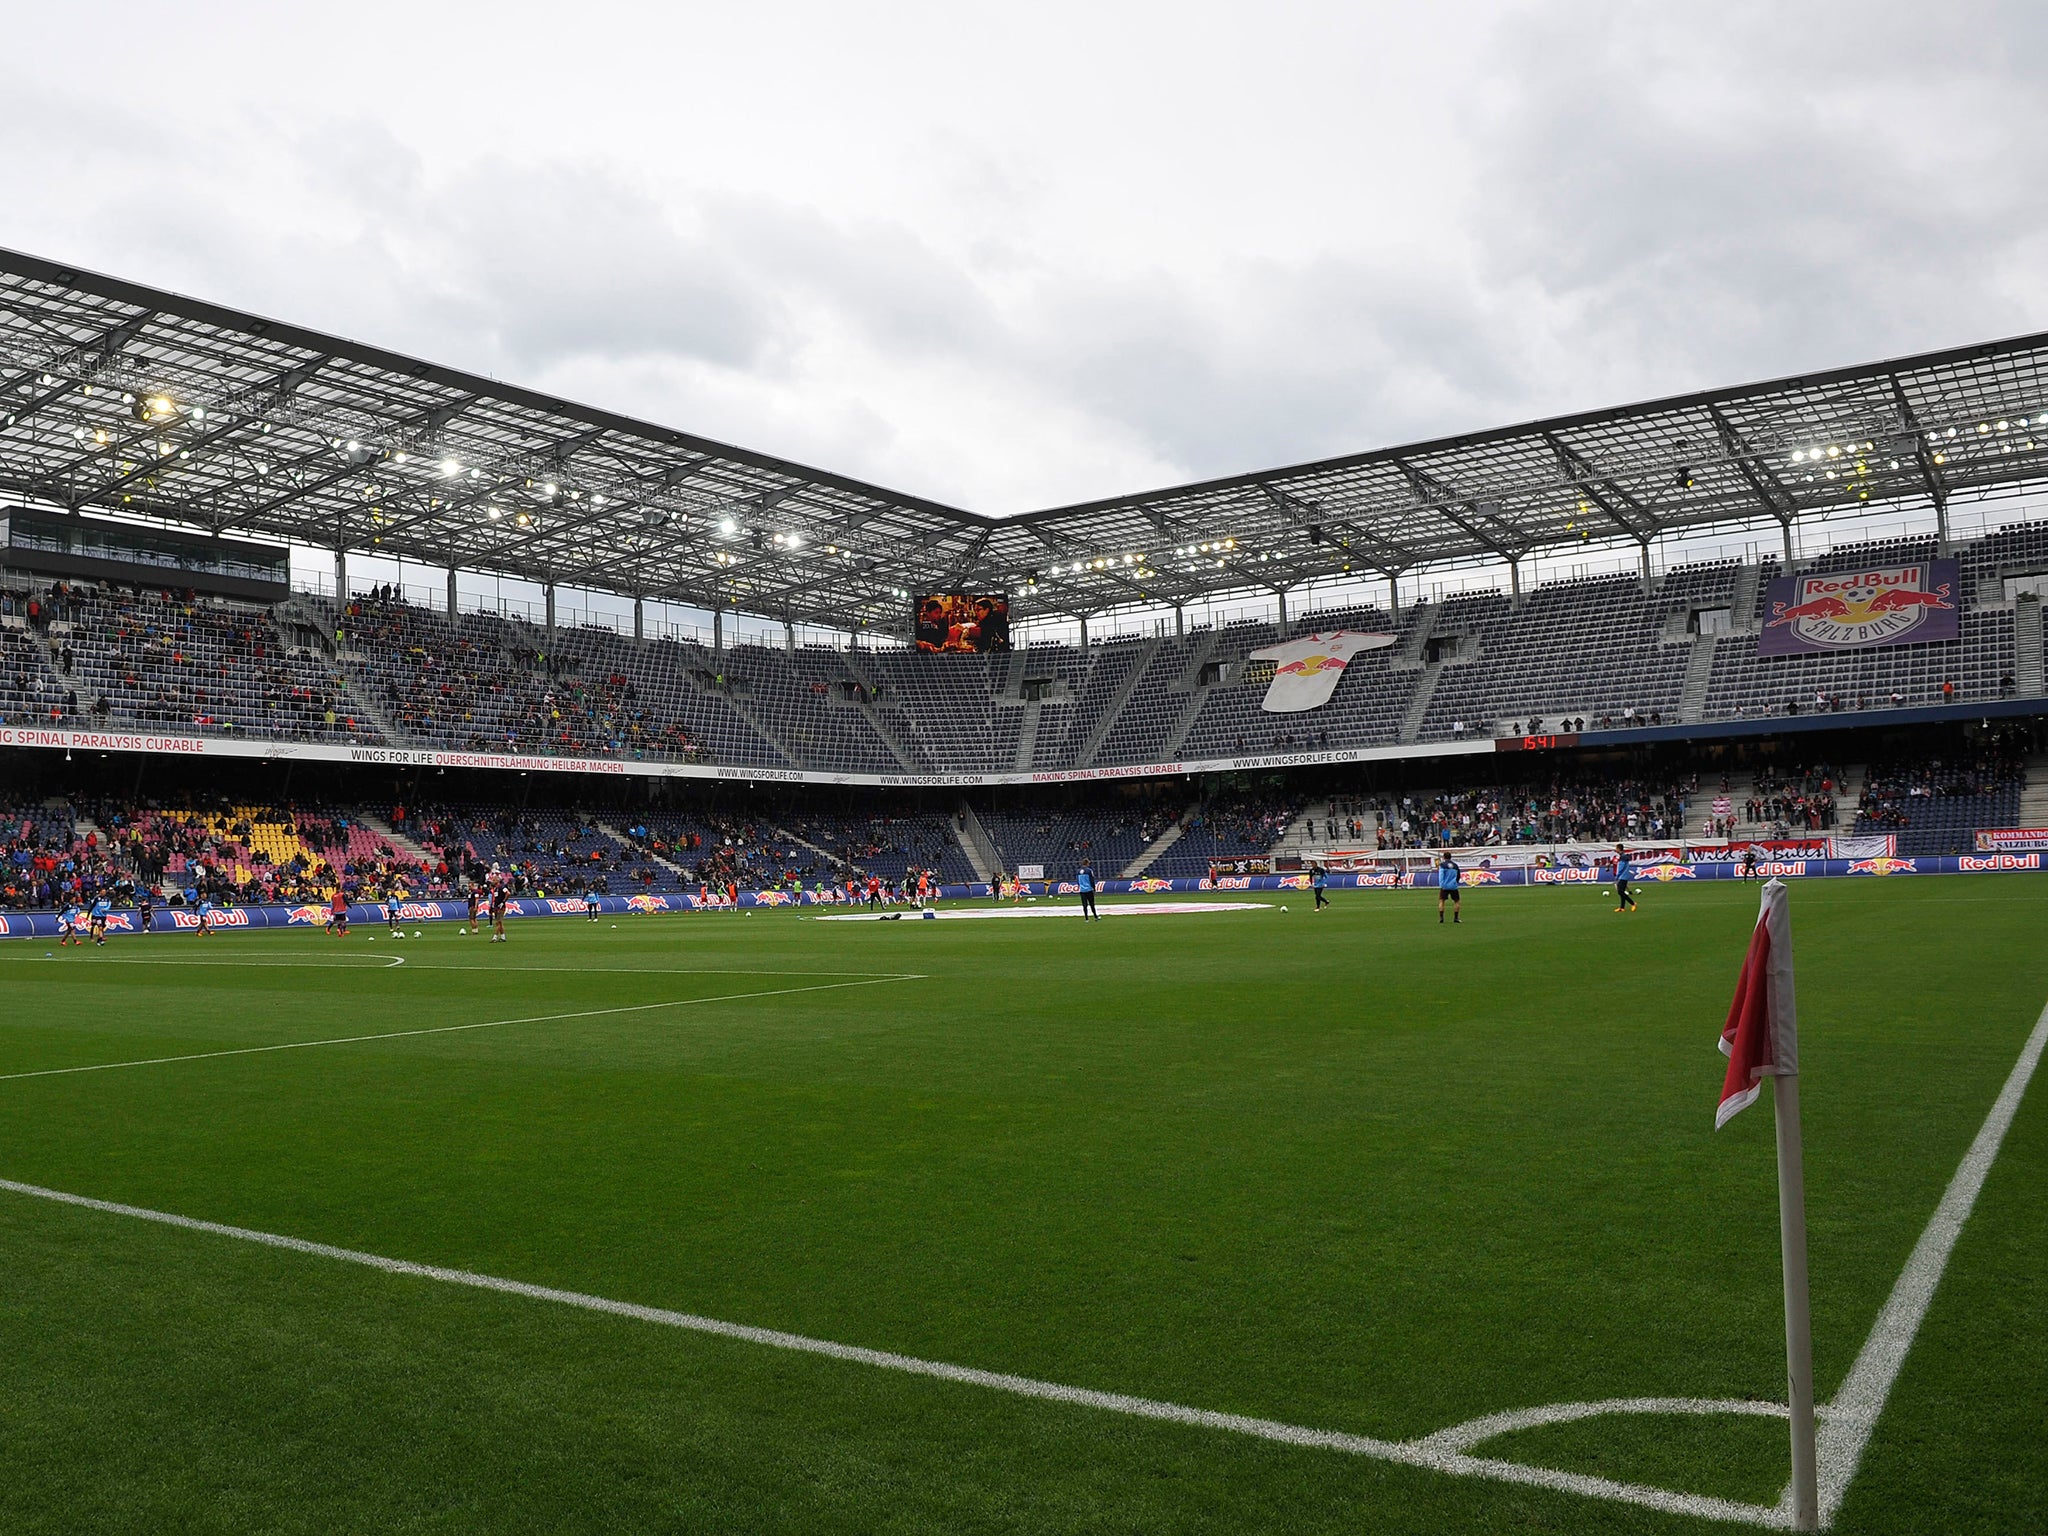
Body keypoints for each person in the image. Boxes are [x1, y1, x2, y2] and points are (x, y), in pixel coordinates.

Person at [1436, 852, 1461, 925]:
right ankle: (1456, 918)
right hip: (1453, 886)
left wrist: (1441, 885)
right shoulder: (1455, 866)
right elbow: (1458, 876)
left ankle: (1441, 918)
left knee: (1442, 901)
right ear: (1450, 857)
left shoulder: (1442, 865)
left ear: (1444, 857)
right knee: (1456, 901)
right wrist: (1455, 883)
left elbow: (1441, 876)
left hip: (1445, 886)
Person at [1613, 844, 1637, 913]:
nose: (1616, 849)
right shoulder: (1623, 856)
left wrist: (1617, 875)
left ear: (1619, 849)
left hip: (1622, 876)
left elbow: (1621, 867)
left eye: (1616, 848)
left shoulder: (1622, 857)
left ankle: (1633, 903)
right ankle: (1622, 907)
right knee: (1622, 892)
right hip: (1624, 876)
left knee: (1620, 891)